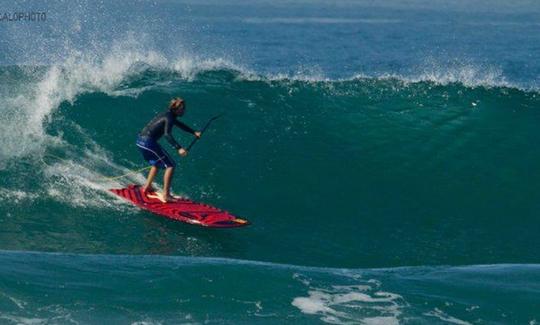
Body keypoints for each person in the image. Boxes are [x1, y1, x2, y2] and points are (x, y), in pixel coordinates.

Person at [136, 98, 201, 203]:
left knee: (156, 163)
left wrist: (193, 132)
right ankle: (166, 195)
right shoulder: (169, 117)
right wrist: (178, 148)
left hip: (140, 141)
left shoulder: (168, 115)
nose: (183, 111)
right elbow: (167, 134)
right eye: (182, 109)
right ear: (175, 109)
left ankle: (147, 187)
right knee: (170, 165)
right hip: (147, 142)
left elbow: (180, 125)